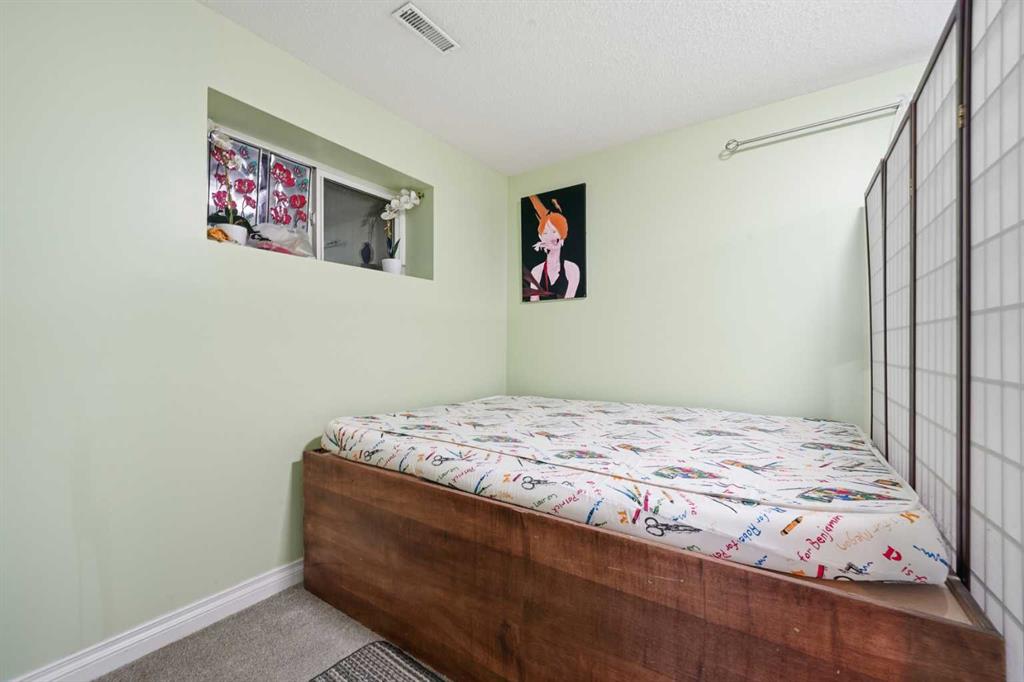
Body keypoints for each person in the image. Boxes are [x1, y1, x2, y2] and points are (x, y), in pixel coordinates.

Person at [527, 194, 580, 301]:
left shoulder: (572, 269)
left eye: (554, 231)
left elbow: (569, 304)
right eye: (545, 233)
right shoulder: (536, 271)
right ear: (541, 238)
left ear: (562, 236)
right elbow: (534, 303)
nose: (550, 237)